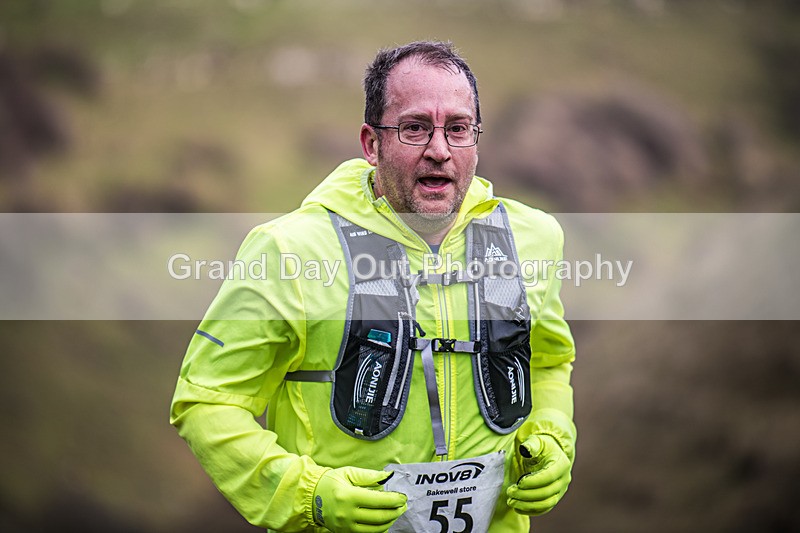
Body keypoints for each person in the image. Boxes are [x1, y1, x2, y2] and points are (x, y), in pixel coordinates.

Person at [170, 40, 576, 532]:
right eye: (414, 128)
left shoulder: (534, 237)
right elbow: (208, 400)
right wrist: (308, 494)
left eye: (458, 129)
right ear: (371, 143)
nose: (439, 150)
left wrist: (554, 439)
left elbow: (547, 361)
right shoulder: (288, 251)